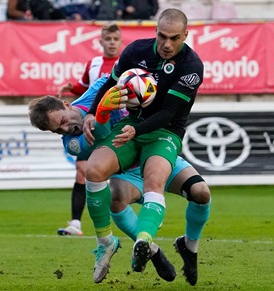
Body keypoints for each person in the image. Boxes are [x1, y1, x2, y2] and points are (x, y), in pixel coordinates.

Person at [29, 77, 210, 285]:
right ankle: (149, 249)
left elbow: (123, 77)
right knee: (116, 198)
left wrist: (130, 85)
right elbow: (105, 137)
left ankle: (189, 246)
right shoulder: (72, 144)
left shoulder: (98, 89)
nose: (66, 130)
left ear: (66, 104)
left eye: (62, 122)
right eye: (57, 131)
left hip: (154, 151)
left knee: (201, 192)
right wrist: (103, 114)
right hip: (127, 172)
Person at [81, 8, 205, 284]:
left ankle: (147, 241)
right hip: (130, 129)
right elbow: (110, 83)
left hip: (165, 132)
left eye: (174, 38)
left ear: (186, 35)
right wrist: (91, 111)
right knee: (93, 170)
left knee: (158, 182)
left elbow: (168, 113)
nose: (167, 44)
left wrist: (135, 128)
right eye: (162, 36)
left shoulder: (191, 66)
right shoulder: (135, 51)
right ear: (155, 31)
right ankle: (105, 243)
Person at [56, 23, 123, 236]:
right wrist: (71, 88)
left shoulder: (125, 63)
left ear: (120, 42)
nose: (112, 43)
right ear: (101, 41)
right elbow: (85, 88)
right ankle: (75, 223)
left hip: (115, 125)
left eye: (115, 39)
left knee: (116, 177)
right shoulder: (93, 64)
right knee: (82, 172)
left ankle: (124, 219)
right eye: (108, 39)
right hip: (88, 126)